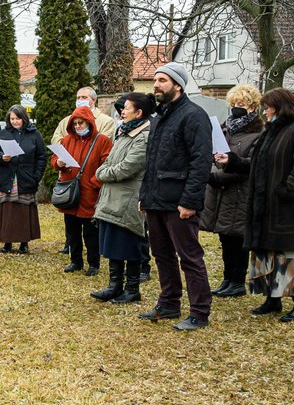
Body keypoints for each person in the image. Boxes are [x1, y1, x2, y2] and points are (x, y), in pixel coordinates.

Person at [220, 87, 294, 321]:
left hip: (286, 204)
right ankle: (272, 298)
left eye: (268, 107)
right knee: (265, 250)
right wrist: (231, 161)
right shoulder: (271, 131)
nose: (265, 111)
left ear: (280, 106)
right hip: (264, 202)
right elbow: (256, 165)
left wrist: (286, 192)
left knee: (283, 252)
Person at [139, 62, 214, 331]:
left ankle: (199, 312)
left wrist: (190, 202)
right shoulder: (160, 117)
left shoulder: (194, 116)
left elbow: (201, 161)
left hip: (179, 201)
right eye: (155, 80)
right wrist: (144, 195)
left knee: (189, 257)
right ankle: (169, 302)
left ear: (178, 85)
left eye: (162, 80)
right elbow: (152, 161)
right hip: (156, 199)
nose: (156, 85)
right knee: (162, 254)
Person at [199, 84, 264, 299]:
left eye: (241, 104)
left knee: (237, 238)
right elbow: (209, 154)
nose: (236, 107)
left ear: (253, 106)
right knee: (225, 238)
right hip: (219, 191)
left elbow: (252, 165)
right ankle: (228, 279)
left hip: (239, 192)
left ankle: (237, 281)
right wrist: (210, 171)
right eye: (234, 103)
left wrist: (220, 173)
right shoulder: (224, 128)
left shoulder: (258, 133)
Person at [92, 93, 155, 303]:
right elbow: (110, 159)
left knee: (128, 244)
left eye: (127, 108)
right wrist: (103, 171)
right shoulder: (124, 132)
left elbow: (128, 167)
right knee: (113, 243)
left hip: (128, 199)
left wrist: (102, 174)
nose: (122, 111)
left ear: (139, 113)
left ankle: (132, 288)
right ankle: (114, 286)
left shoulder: (144, 136)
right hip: (112, 198)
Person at [50, 105, 113, 274]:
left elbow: (107, 165)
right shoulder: (67, 140)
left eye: (81, 123)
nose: (78, 126)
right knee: (72, 230)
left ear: (89, 123)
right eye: (75, 123)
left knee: (91, 232)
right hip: (70, 192)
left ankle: (93, 263)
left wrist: (94, 183)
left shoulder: (102, 141)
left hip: (90, 193)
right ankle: (75, 261)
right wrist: (59, 163)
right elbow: (55, 159)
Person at [0, 104, 47, 253]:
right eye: (12, 118)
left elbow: (41, 157)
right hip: (7, 177)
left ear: (24, 118)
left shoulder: (35, 135)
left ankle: (24, 243)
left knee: (23, 211)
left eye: (17, 118)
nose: (15, 121)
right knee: (7, 210)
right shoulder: (4, 133)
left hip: (26, 178)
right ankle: (6, 242)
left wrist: (36, 177)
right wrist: (2, 157)